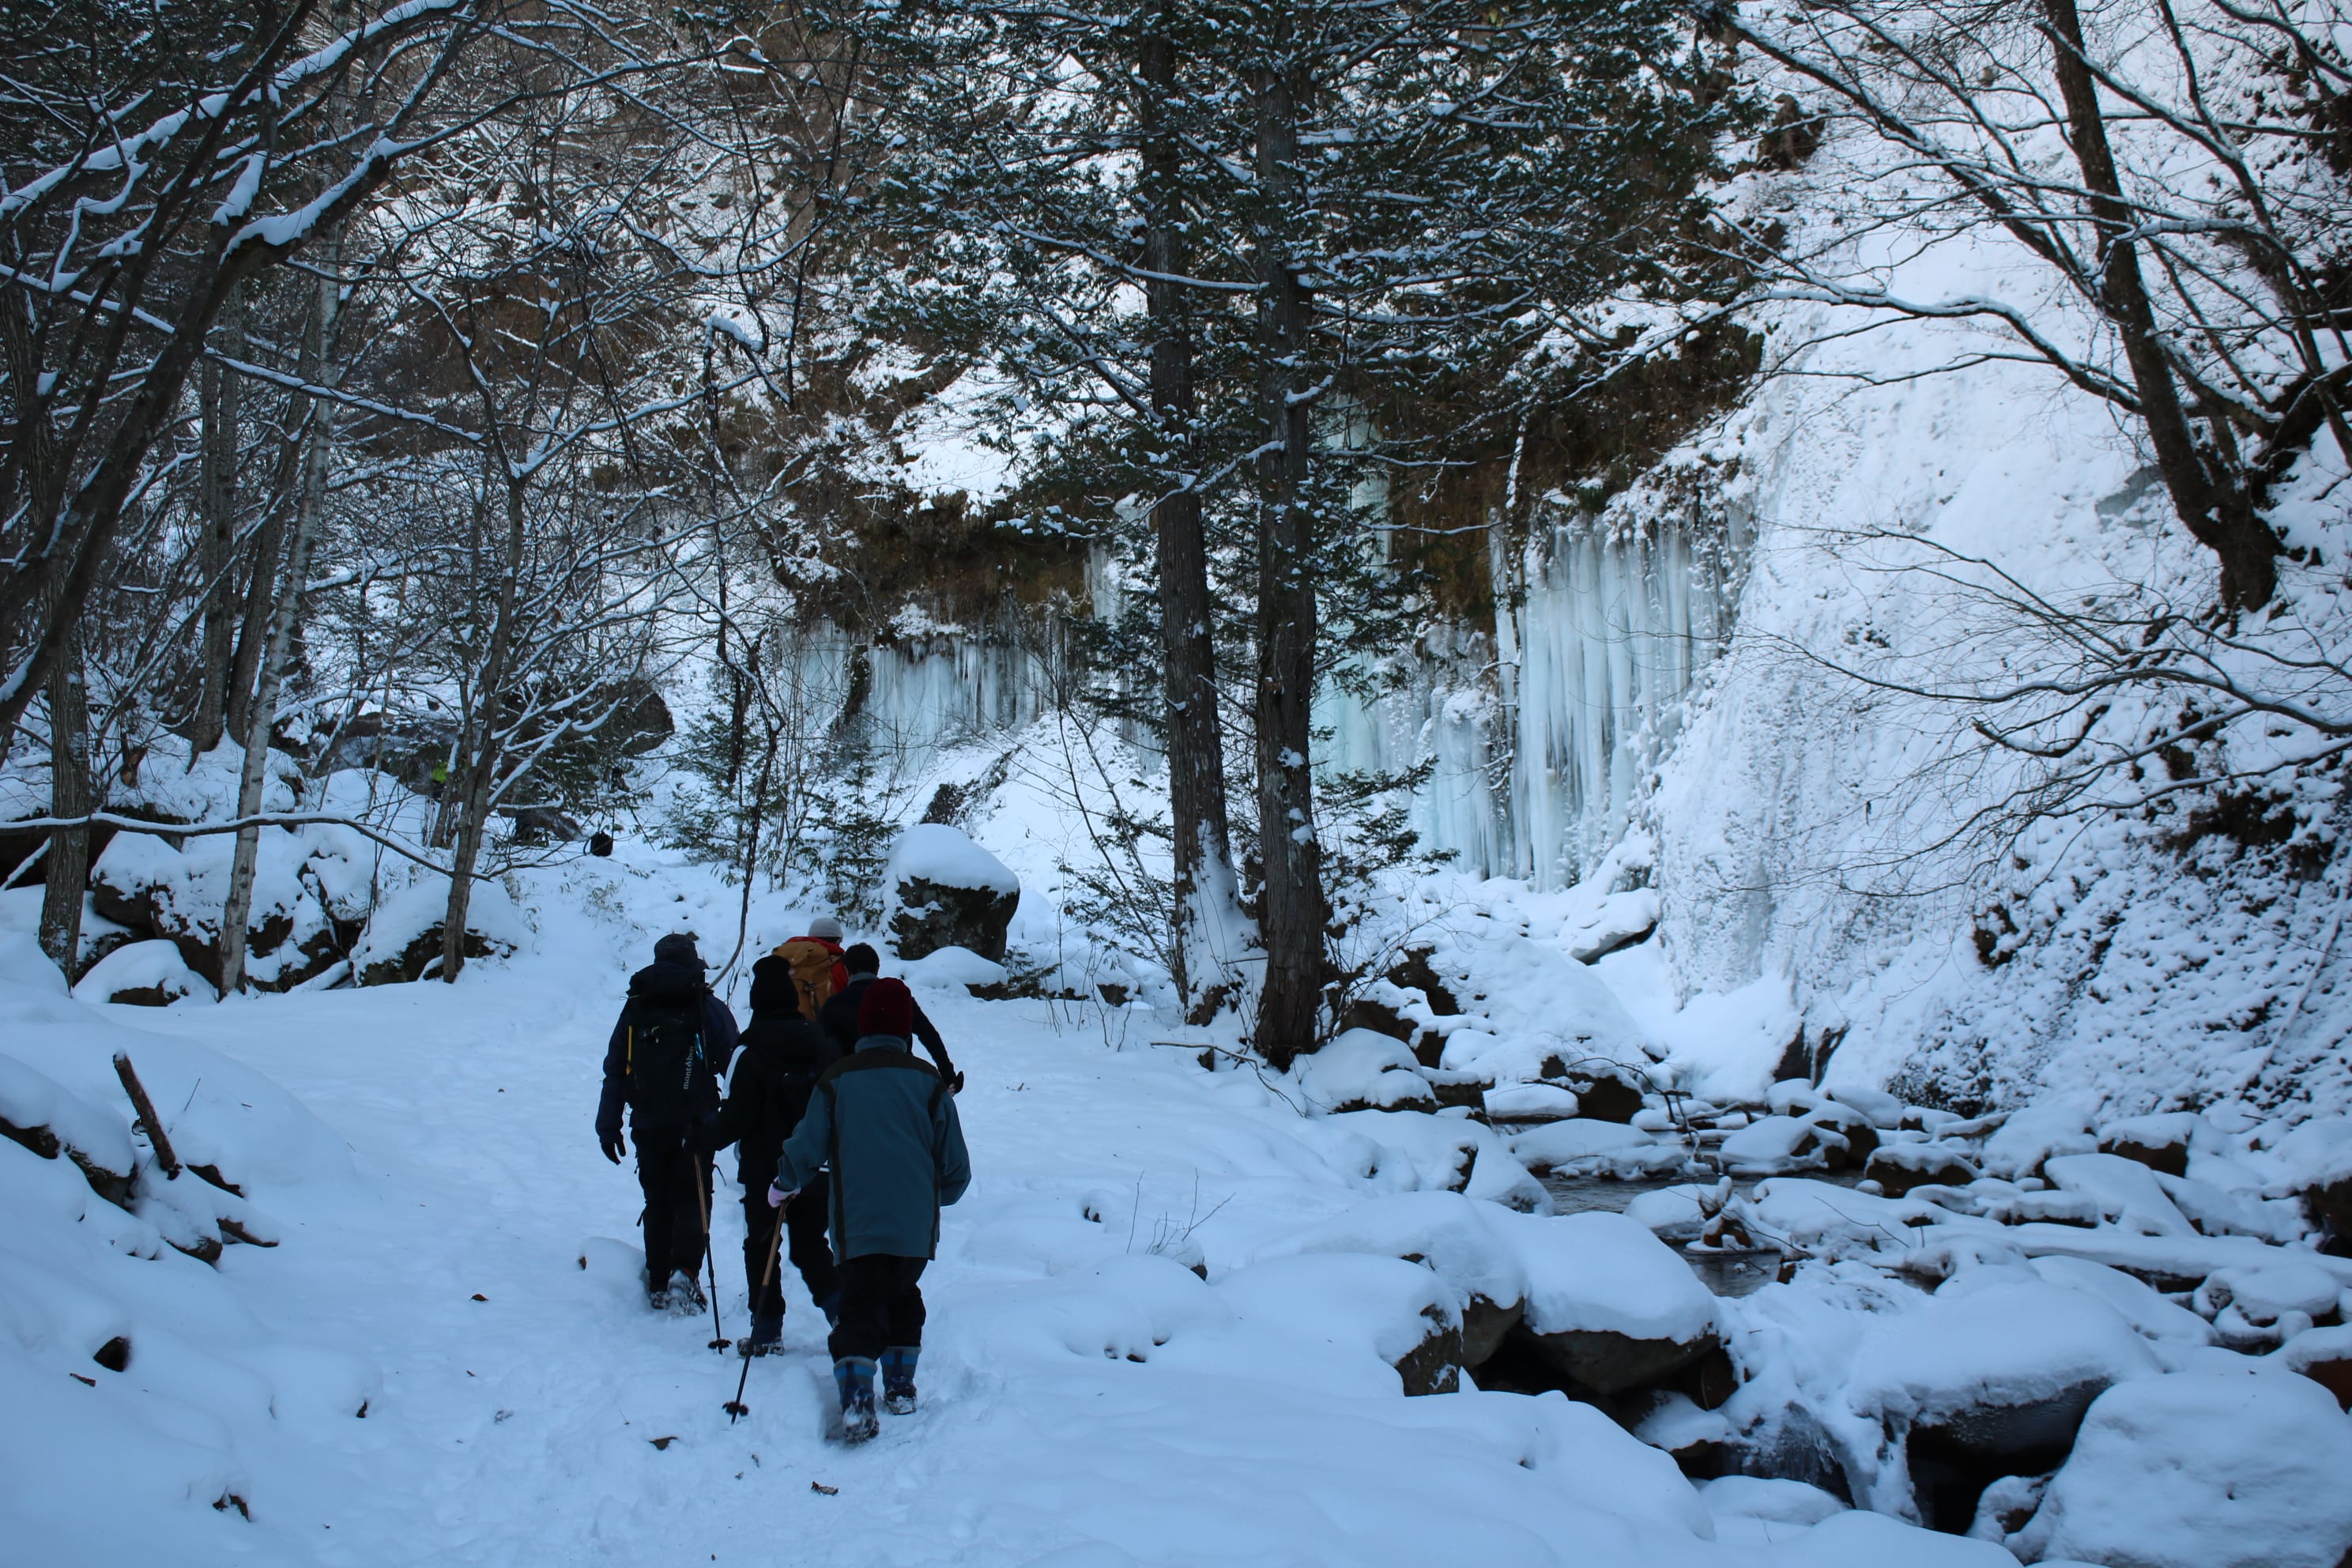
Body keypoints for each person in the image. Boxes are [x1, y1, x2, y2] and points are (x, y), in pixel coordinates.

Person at [771, 978, 970, 1444]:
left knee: (860, 1305)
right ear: (906, 1029)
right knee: (902, 1295)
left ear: (863, 1026)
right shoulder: (929, 1084)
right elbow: (956, 1172)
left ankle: (858, 1398)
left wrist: (784, 1183)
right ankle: (899, 1385)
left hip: (857, 1223)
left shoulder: (837, 1080)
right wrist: (921, 1199)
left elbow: (807, 1146)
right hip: (913, 1231)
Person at [703, 952, 840, 1354]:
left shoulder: (747, 1050)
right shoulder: (822, 1042)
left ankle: (766, 1330)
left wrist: (700, 1141)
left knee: (762, 1246)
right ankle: (842, 1312)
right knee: (811, 1244)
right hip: (817, 1165)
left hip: (765, 1167)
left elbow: (736, 1118)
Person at [596, 933, 737, 1310]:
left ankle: (659, 1281)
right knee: (694, 1199)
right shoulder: (707, 1007)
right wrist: (738, 1120)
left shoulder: (636, 1008)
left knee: (657, 1201)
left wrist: (608, 1124)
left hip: (647, 1122)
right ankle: (685, 1274)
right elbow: (735, 1064)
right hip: (697, 1123)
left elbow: (615, 1068)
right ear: (693, 963)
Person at [819, 943, 962, 1092]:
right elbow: (929, 1034)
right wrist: (947, 1074)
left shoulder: (834, 1004)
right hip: (901, 1079)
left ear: (846, 970)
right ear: (877, 968)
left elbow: (819, 1046)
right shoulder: (898, 998)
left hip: (851, 1085)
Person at [774, 914, 850, 1022]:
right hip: (824, 1032)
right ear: (837, 941)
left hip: (782, 1029)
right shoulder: (839, 966)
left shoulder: (781, 960)